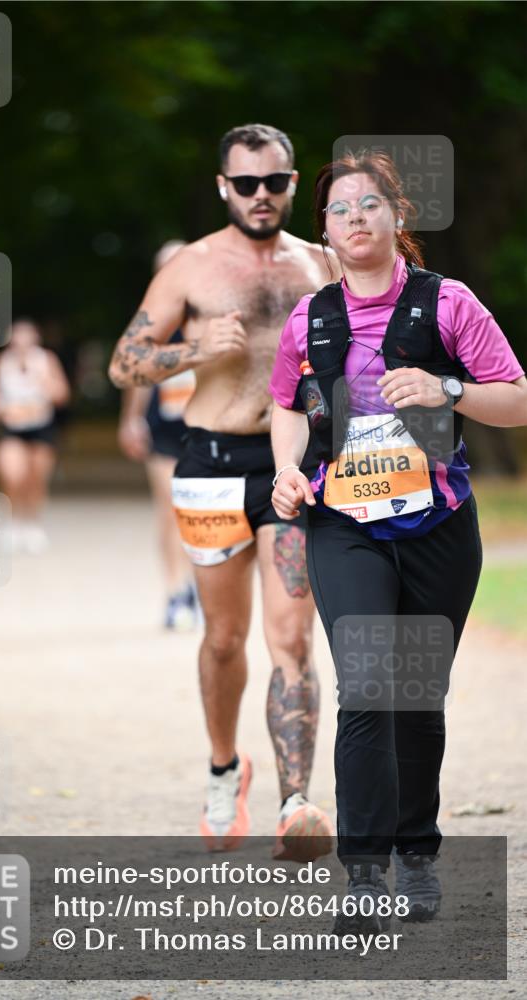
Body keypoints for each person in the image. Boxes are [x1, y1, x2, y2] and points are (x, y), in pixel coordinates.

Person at [269, 150, 527, 928]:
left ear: (396, 217)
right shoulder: (309, 318)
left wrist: (447, 389)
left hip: (437, 526)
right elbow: (285, 402)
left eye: (369, 204)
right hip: (343, 525)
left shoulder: (448, 305)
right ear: (324, 231)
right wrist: (286, 468)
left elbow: (515, 400)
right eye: (340, 209)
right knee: (366, 688)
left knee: (416, 697)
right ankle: (365, 874)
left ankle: (417, 855)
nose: (355, 217)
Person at [109, 124, 340, 858]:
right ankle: (222, 768)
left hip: (292, 467)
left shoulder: (324, 264)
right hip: (209, 464)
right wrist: (193, 349)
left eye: (274, 182)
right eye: (245, 184)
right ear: (222, 187)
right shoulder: (190, 267)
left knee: (291, 635)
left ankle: (295, 803)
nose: (260, 196)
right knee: (222, 638)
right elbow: (124, 364)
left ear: (293, 184)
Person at [117, 240, 198, 631]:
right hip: (163, 427)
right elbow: (139, 376)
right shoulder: (151, 321)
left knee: (199, 511)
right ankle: (175, 591)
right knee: (169, 507)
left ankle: (201, 584)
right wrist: (131, 420)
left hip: (206, 426)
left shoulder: (213, 314)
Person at [0, 318, 70, 553]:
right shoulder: (0, 363)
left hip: (41, 428)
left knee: (36, 478)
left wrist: (44, 384)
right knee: (12, 475)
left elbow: (62, 394)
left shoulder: (46, 361)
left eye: (26, 336)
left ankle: (32, 524)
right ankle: (13, 523)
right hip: (11, 428)